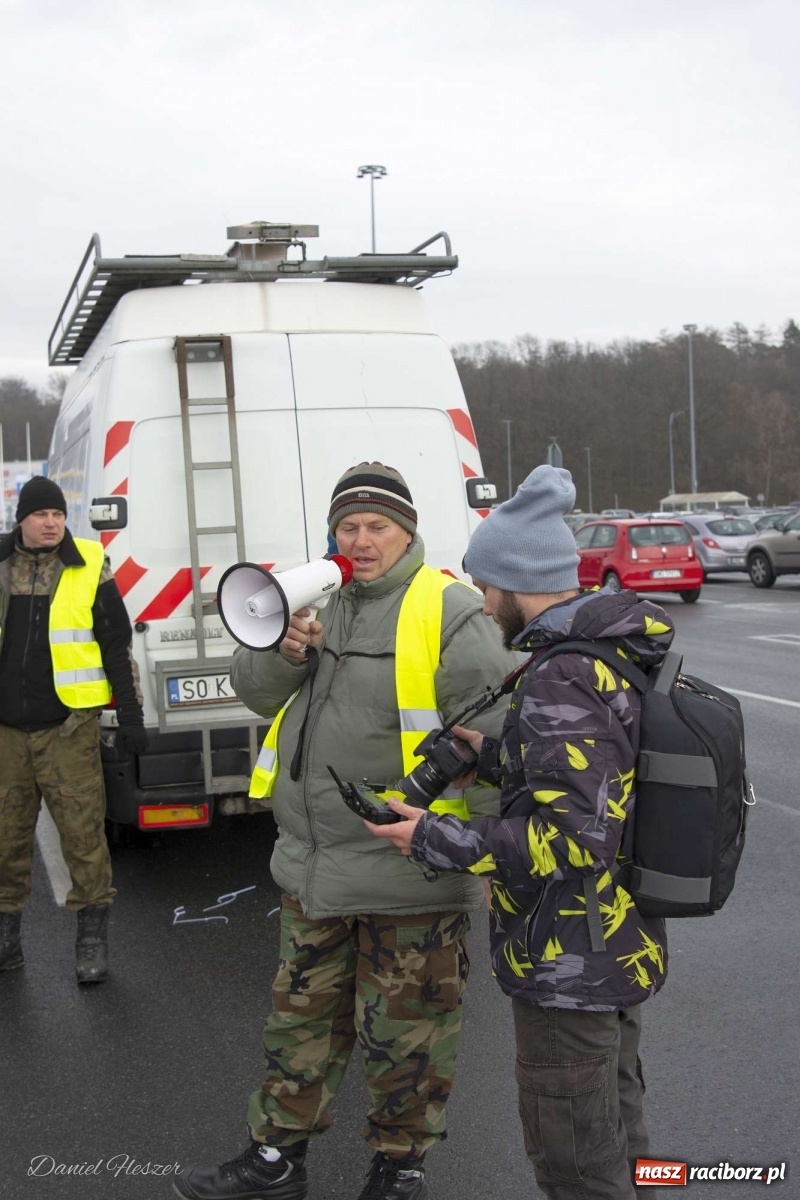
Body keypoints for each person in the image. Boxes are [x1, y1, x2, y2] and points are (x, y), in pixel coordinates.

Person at [174, 462, 516, 1200]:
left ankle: (400, 1169)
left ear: (407, 531)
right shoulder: (320, 601)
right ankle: (275, 1160)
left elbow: (494, 737)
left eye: (377, 527)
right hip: (314, 867)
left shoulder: (449, 607)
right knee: (299, 1023)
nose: (360, 542)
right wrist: (281, 649)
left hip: (410, 872)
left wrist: (483, 857)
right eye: (348, 527)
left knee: (408, 1037)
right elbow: (256, 692)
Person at [368, 465, 672, 1200]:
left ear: (511, 579)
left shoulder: (560, 674)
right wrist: (500, 756)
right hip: (613, 941)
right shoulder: (606, 650)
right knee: (621, 1137)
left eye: (483, 583)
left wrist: (436, 839)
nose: (481, 600)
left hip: (571, 963)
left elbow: (574, 838)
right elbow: (604, 780)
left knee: (576, 1165)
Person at [0, 476, 147, 984]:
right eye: (42, 515)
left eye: (58, 515)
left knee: (84, 838)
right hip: (6, 735)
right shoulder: (2, 565)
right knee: (5, 839)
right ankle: (6, 940)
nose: (51, 523)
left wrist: (130, 716)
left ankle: (91, 940)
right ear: (23, 518)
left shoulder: (88, 564)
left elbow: (114, 645)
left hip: (67, 730)